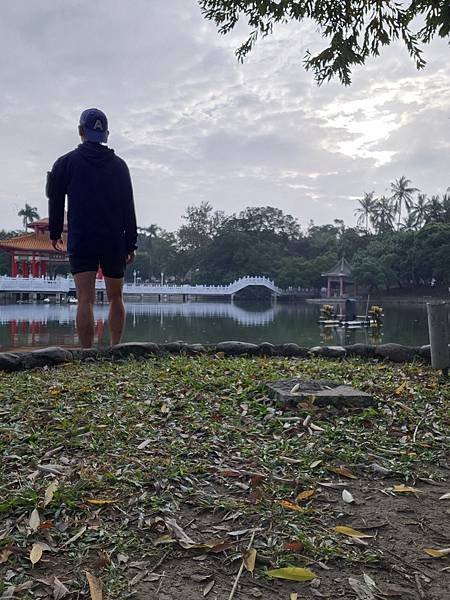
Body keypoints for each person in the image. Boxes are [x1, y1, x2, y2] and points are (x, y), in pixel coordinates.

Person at [46, 108, 137, 348]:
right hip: (113, 239)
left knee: (84, 299)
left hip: (82, 237)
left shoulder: (66, 163)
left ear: (80, 132)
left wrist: (55, 232)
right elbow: (128, 206)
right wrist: (131, 243)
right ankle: (114, 347)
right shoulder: (119, 166)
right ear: (106, 134)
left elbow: (55, 199)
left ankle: (87, 353)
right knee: (116, 298)